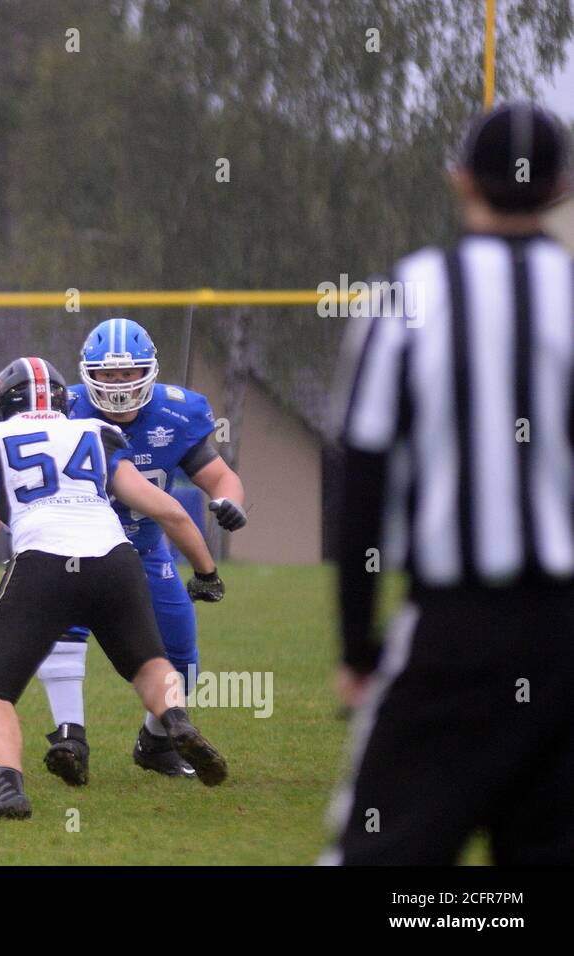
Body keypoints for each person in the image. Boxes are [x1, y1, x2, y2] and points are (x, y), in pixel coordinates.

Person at [326, 102, 574, 864]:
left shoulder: (411, 294)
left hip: (455, 636)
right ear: (562, 187)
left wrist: (358, 647)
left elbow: (359, 477)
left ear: (460, 179)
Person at [0, 356, 228, 820]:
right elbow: (168, 511)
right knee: (148, 662)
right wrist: (207, 572)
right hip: (116, 560)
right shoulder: (95, 433)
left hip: (43, 565)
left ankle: (8, 789)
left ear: (0, 404)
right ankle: (176, 722)